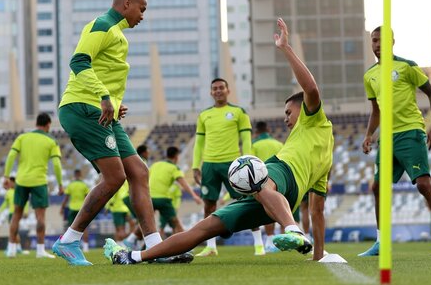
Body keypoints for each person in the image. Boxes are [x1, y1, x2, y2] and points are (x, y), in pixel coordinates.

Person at [104, 17, 333, 264]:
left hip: (281, 174)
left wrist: (286, 48)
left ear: (304, 108)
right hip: (277, 198)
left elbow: (311, 89)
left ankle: (292, 229)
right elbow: (317, 209)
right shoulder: (326, 155)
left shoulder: (314, 120)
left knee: (259, 179)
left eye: (289, 112)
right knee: (204, 228)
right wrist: (318, 257)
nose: (286, 119)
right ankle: (134, 256)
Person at [52, 0, 191, 265]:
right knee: (115, 178)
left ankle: (155, 248)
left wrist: (113, 104)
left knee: (139, 171)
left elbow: (102, 72)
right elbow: (79, 62)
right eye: (142, 9)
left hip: (103, 113)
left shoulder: (117, 34)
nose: (143, 16)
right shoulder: (102, 25)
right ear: (126, 4)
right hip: (82, 108)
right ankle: (68, 240)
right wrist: (104, 97)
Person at [358, 26, 431, 256]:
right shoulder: (370, 75)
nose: (376, 44)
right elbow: (376, 110)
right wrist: (368, 135)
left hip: (410, 132)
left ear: (392, 42)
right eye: (373, 41)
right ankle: (381, 242)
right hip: (386, 138)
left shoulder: (406, 66)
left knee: (424, 186)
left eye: (381, 40)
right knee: (378, 188)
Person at [192, 77, 265, 257]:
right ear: (211, 92)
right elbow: (199, 142)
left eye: (221, 88)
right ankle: (211, 247)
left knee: (249, 201)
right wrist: (195, 165)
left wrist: (247, 159)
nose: (218, 91)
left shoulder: (239, 112)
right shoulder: (204, 115)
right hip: (209, 164)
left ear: (228, 90)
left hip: (233, 164)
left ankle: (259, 244)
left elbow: (246, 138)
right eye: (215, 88)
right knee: (209, 205)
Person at [4, 112, 63, 258]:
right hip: (39, 181)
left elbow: (11, 155)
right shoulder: (51, 141)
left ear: (36, 123)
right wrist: (60, 184)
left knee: (16, 215)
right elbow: (56, 164)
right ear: (48, 124)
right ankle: (40, 250)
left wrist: (6, 176)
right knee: (40, 217)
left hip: (21, 180)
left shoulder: (22, 137)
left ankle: (11, 249)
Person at [250, 121, 285, 253]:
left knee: (265, 209)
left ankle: (269, 241)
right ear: (268, 129)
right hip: (278, 178)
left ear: (257, 132)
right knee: (279, 206)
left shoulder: (255, 145)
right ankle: (283, 238)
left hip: (260, 181)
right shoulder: (279, 144)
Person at [0, 177, 30, 255]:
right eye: (10, 182)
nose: (11, 184)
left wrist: (25, 211)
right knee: (14, 231)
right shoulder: (8, 192)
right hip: (11, 213)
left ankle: (11, 247)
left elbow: (25, 202)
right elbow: (5, 203)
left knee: (13, 231)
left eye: (12, 182)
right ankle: (18, 248)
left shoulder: (20, 191)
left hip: (17, 213)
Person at [60, 169, 90, 252]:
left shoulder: (70, 185)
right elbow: (87, 198)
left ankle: (69, 246)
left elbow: (66, 198)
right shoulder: (84, 185)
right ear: (80, 174)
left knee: (71, 228)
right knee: (84, 228)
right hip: (81, 209)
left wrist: (62, 208)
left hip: (72, 209)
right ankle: (86, 247)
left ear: (74, 175)